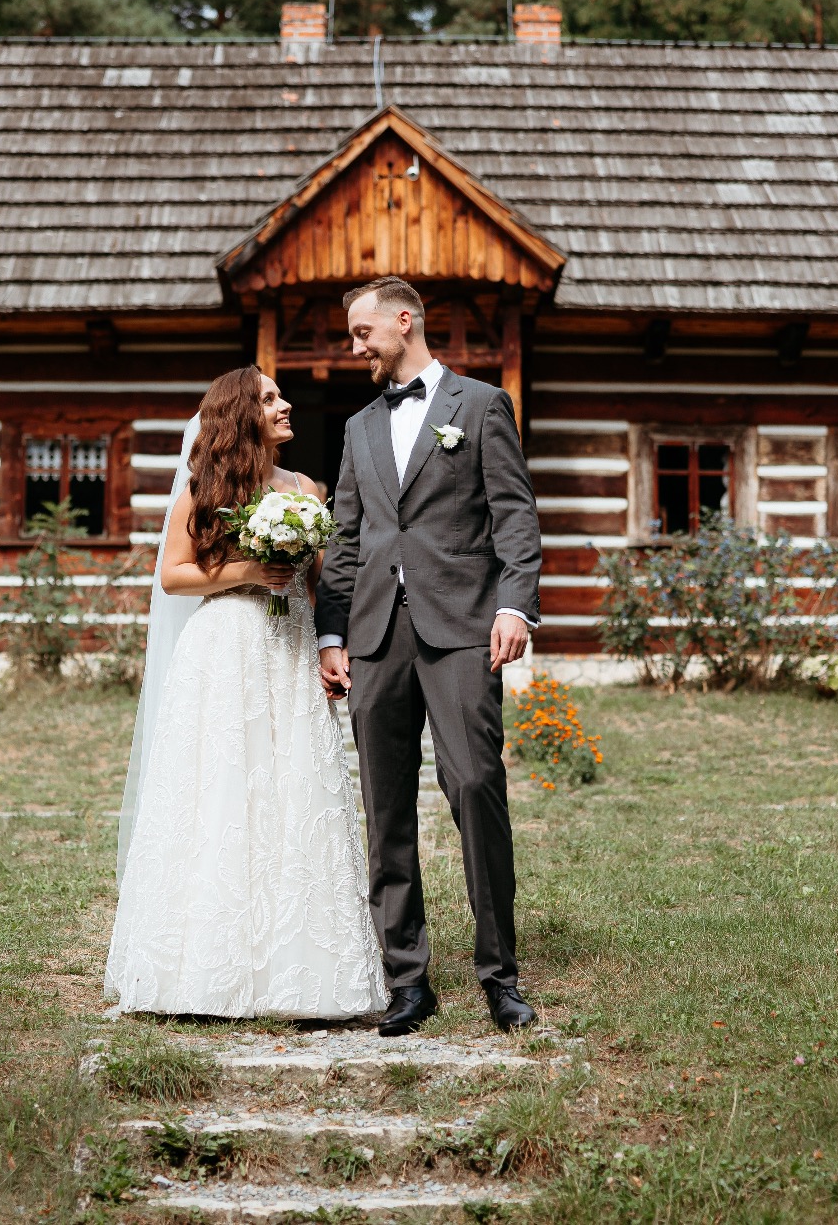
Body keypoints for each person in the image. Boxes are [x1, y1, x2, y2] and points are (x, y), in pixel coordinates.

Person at [105, 367, 387, 1019]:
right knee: (222, 790)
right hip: (225, 647)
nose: (285, 405)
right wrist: (247, 569)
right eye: (269, 398)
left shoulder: (304, 489)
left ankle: (308, 975)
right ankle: (203, 973)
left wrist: (329, 642)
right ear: (243, 415)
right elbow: (175, 576)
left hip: (289, 648)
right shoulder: (202, 490)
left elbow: (324, 580)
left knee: (297, 790)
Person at [315, 276, 544, 1036]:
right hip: (377, 637)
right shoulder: (355, 428)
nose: (356, 348)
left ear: (403, 321)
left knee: (475, 784)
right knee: (386, 808)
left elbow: (513, 515)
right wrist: (331, 634)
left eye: (362, 333)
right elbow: (345, 541)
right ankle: (406, 979)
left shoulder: (479, 407)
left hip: (462, 629)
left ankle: (499, 975)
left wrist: (514, 606)